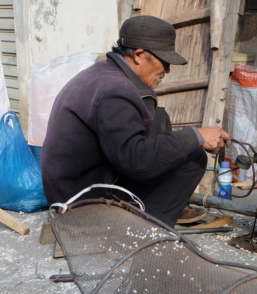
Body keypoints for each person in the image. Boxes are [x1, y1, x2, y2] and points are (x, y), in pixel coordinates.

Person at [41, 15, 230, 227]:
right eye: (164, 61)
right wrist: (196, 136)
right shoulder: (116, 90)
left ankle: (150, 210)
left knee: (161, 121)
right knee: (192, 156)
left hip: (72, 184)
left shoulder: (104, 73)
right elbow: (135, 161)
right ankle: (143, 230)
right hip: (80, 200)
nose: (167, 70)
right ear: (139, 55)